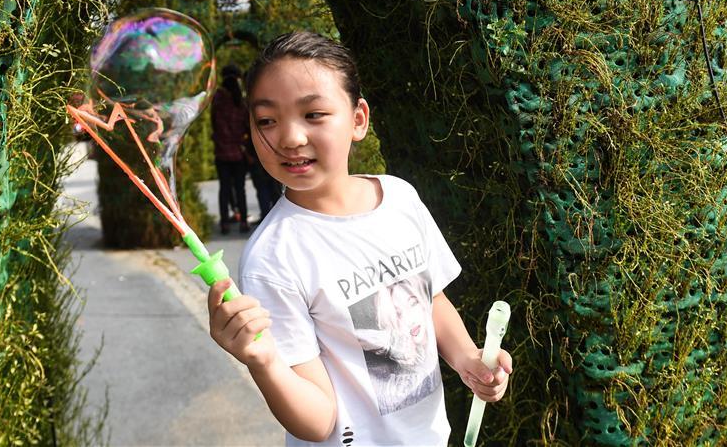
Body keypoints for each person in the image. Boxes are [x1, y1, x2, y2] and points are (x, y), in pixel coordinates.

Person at [206, 32, 512, 445]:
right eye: (266, 120)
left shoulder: (400, 198)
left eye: (313, 114)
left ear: (358, 119)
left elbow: (430, 298)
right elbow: (317, 421)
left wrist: (468, 358)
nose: (290, 137)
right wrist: (263, 362)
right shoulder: (273, 256)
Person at [210, 64, 250, 234]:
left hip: (222, 151)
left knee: (224, 188)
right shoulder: (239, 99)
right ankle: (243, 222)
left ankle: (225, 222)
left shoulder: (218, 98)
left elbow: (216, 124)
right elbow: (246, 125)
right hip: (238, 152)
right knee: (240, 188)